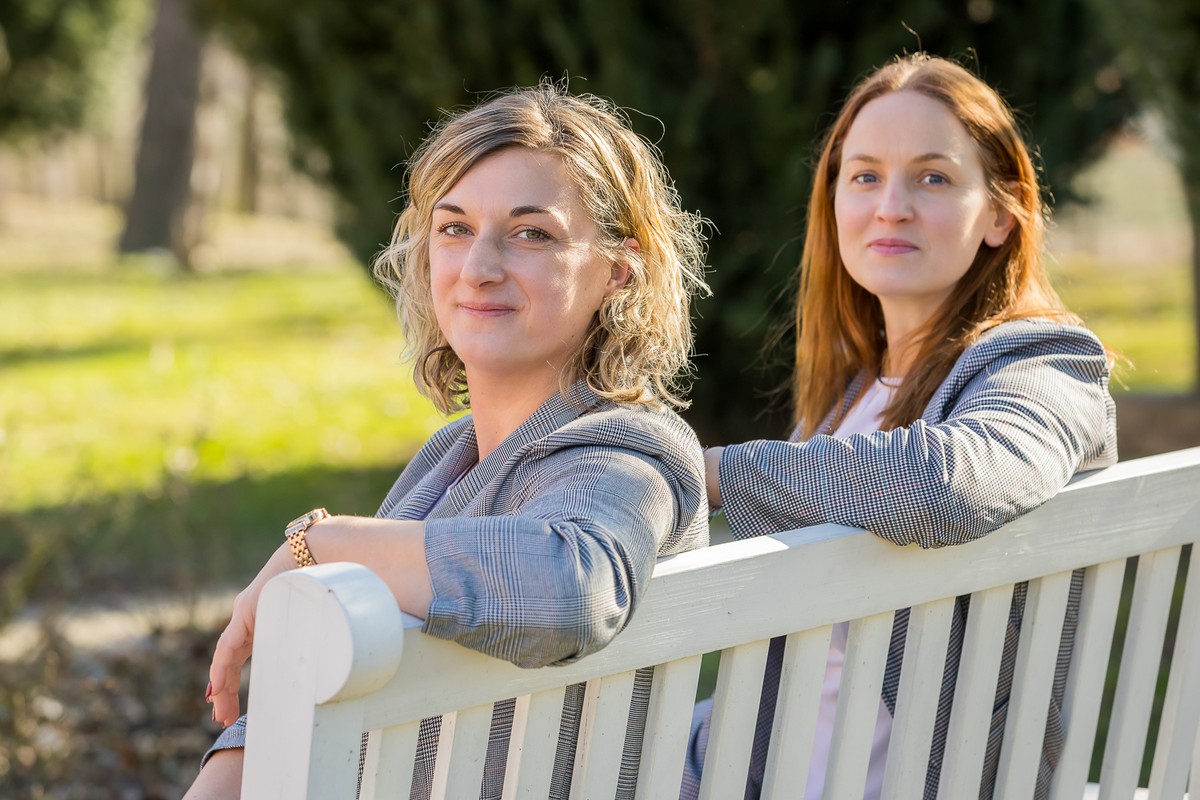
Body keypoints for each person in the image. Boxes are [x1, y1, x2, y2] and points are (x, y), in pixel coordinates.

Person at [183, 82, 710, 800]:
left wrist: (324, 543)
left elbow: (571, 590)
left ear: (618, 270)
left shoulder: (624, 454)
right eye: (455, 228)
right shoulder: (453, 452)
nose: (479, 266)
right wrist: (233, 761)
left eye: (532, 233)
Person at [681, 53, 1117, 800]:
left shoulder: (1045, 362)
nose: (891, 206)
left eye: (934, 177)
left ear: (1002, 217)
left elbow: (950, 481)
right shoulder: (851, 391)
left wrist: (720, 472)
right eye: (865, 176)